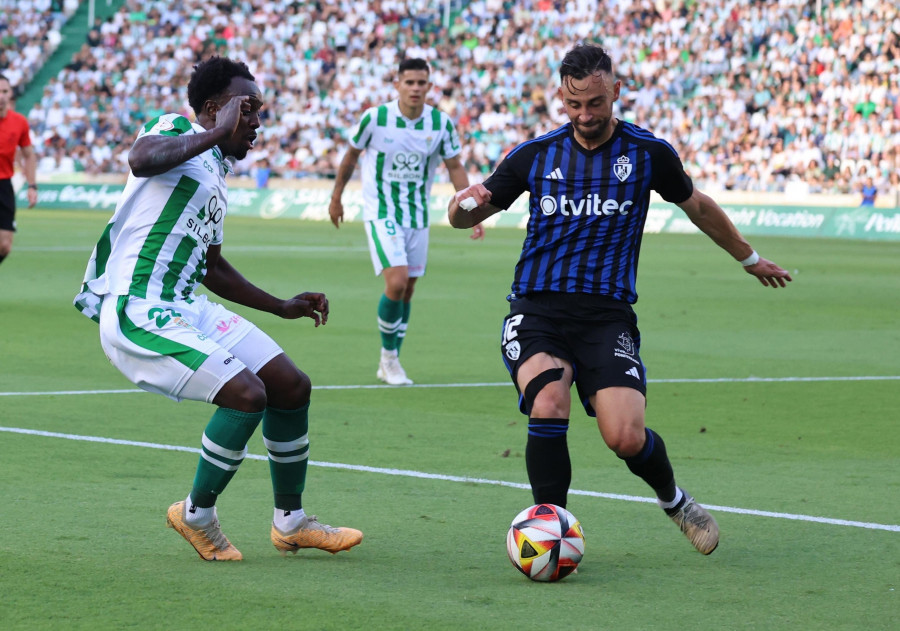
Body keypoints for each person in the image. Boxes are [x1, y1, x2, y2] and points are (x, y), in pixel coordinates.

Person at [448, 44, 793, 556]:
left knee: (626, 437)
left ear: (615, 91)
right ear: (561, 99)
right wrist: (461, 206)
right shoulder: (534, 155)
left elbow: (696, 205)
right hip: (537, 309)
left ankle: (674, 501)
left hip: (607, 317)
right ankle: (550, 530)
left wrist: (749, 258)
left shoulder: (648, 153)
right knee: (548, 400)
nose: (584, 116)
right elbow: (469, 214)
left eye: (594, 103)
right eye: (573, 105)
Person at [73, 57, 363, 561]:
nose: (256, 123)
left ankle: (290, 523)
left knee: (291, 386)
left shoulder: (215, 172)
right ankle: (196, 515)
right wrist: (213, 133)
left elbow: (212, 266)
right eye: (247, 110)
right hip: (139, 307)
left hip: (189, 304)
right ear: (214, 108)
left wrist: (281, 306)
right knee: (246, 395)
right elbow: (141, 158)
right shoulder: (178, 128)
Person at [328, 57, 483, 386]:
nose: (415, 88)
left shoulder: (439, 123)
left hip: (417, 214)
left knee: (408, 289)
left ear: (429, 86)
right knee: (396, 282)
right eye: (409, 82)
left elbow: (454, 165)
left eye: (421, 83)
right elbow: (351, 155)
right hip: (382, 211)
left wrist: (471, 208)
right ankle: (389, 358)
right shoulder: (376, 118)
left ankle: (391, 360)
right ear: (396, 84)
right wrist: (336, 197)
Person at [0, 74, 38, 268]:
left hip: (4, 185)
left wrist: (32, 186)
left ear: (10, 93)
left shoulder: (19, 122)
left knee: (5, 245)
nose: (1, 96)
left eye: (5, 91)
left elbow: (29, 155)